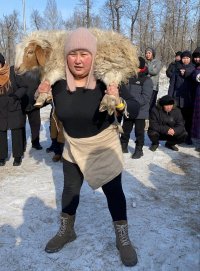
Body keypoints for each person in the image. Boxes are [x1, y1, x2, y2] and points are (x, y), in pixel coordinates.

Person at [38, 28, 140, 267]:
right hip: (72, 146)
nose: (78, 59)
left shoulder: (108, 82)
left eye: (84, 53)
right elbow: (27, 105)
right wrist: (40, 90)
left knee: (114, 193)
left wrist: (119, 101)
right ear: (66, 57)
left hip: (102, 146)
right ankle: (67, 230)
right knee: (70, 190)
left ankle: (122, 238)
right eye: (73, 54)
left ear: (93, 55)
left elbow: (134, 107)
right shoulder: (58, 83)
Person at [120, 56, 153, 158]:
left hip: (140, 111)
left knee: (139, 131)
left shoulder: (147, 80)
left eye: (136, 66)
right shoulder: (128, 78)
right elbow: (123, 91)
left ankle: (139, 149)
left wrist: (132, 102)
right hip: (128, 109)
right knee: (125, 129)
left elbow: (146, 98)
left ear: (141, 67)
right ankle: (123, 145)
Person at [0, 53, 26, 166]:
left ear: (2, 63)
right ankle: (2, 157)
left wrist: (16, 96)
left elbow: (24, 87)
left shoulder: (12, 72)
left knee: (16, 132)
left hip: (13, 105)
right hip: (0, 108)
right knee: (1, 133)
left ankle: (17, 156)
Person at [168, 50, 195, 144]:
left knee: (188, 119)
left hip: (188, 98)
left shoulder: (193, 69)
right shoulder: (176, 68)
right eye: (184, 58)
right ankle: (179, 137)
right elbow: (172, 84)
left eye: (187, 58)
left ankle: (188, 137)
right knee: (178, 119)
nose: (185, 60)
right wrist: (170, 97)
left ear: (190, 59)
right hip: (177, 98)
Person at [191, 47, 200, 146]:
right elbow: (195, 76)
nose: (197, 59)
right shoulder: (196, 68)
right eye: (196, 57)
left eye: (199, 57)